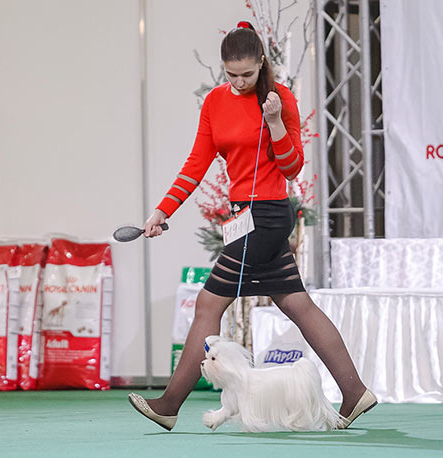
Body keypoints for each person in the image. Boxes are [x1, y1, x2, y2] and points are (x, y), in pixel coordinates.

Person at [128, 21, 375, 431]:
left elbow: (292, 168)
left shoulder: (281, 99)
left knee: (208, 305)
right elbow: (196, 163)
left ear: (262, 63)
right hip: (245, 216)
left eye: (247, 73)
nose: (240, 82)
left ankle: (169, 405)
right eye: (232, 75)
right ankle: (355, 392)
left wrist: (275, 121)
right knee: (296, 303)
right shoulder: (215, 102)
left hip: (267, 216)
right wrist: (162, 210)